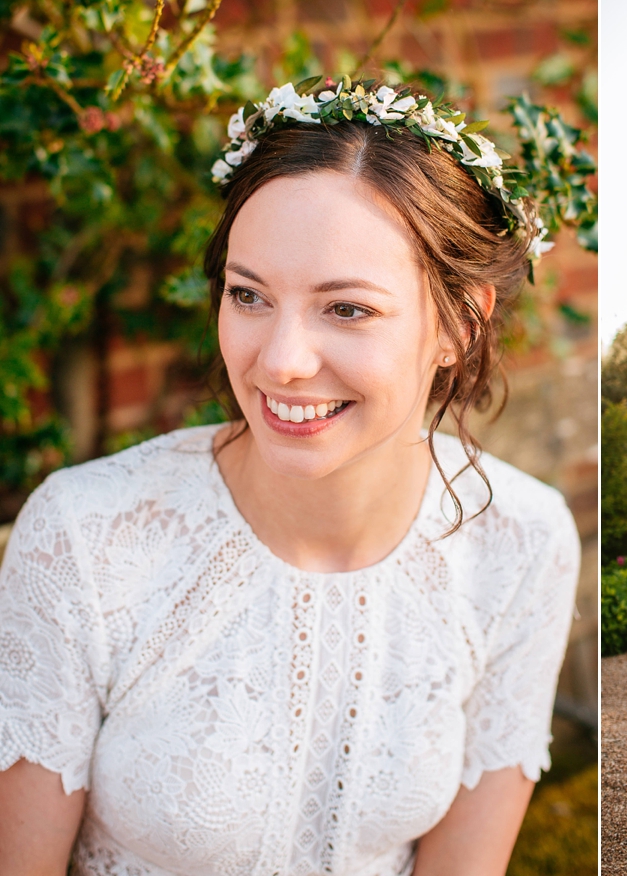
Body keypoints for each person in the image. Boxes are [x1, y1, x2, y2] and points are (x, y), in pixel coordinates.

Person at [0, 78, 580, 876]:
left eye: (346, 309)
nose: (279, 361)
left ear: (460, 323)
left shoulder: (524, 540)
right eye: (249, 296)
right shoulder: (85, 536)